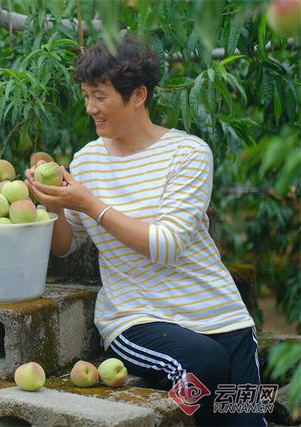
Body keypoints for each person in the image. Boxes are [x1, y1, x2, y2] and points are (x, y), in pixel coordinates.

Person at [26, 36, 265, 427]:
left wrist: (90, 204)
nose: (90, 109)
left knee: (246, 422)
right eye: (86, 96)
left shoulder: (188, 154)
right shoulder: (87, 161)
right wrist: (53, 206)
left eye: (99, 97)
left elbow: (166, 246)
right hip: (137, 317)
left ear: (138, 95)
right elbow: (67, 246)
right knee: (205, 365)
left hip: (222, 317)